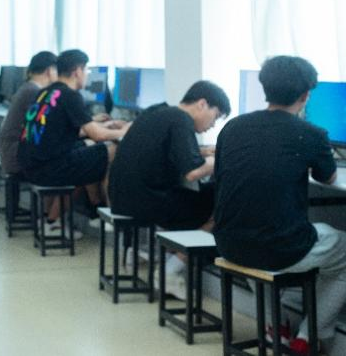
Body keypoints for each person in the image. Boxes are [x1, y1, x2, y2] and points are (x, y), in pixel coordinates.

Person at [213, 55, 346, 354]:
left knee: (255, 235)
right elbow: (328, 177)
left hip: (228, 243)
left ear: (264, 87)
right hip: (279, 249)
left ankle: (278, 326)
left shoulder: (232, 128)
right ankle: (309, 336)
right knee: (342, 248)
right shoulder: (311, 134)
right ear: (306, 95)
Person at [108, 80, 230, 295]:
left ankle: (159, 254)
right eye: (216, 116)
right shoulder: (181, 120)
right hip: (145, 201)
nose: (213, 125)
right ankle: (170, 271)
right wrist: (220, 159)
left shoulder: (158, 112)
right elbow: (192, 172)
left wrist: (202, 152)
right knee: (219, 204)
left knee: (191, 200)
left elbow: (166, 150)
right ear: (202, 104)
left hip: (121, 197)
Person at [18, 49, 130, 235]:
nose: (87, 75)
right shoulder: (70, 95)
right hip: (50, 169)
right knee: (113, 149)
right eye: (86, 70)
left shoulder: (46, 93)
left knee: (86, 153)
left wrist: (105, 126)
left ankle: (52, 222)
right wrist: (125, 131)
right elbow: (97, 135)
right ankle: (110, 215)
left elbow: (63, 130)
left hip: (32, 166)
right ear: (77, 71)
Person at [0, 51, 58, 175]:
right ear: (49, 71)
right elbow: (50, 124)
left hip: (13, 154)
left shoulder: (27, 88)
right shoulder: (34, 92)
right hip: (17, 159)